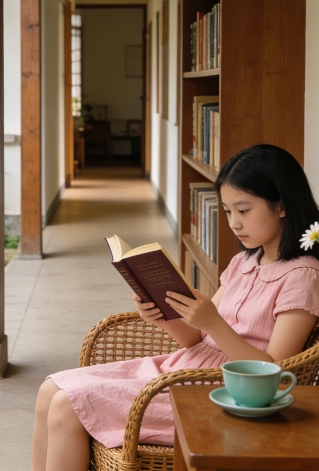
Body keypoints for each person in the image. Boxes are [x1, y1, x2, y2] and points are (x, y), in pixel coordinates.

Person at [32, 144, 319, 471]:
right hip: (187, 368)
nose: (234, 223)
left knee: (66, 406)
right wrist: (161, 314)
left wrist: (212, 323)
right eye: (227, 212)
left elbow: (277, 376)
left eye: (244, 210)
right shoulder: (243, 261)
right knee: (50, 389)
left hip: (227, 391)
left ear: (281, 206)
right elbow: (197, 340)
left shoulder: (302, 276)